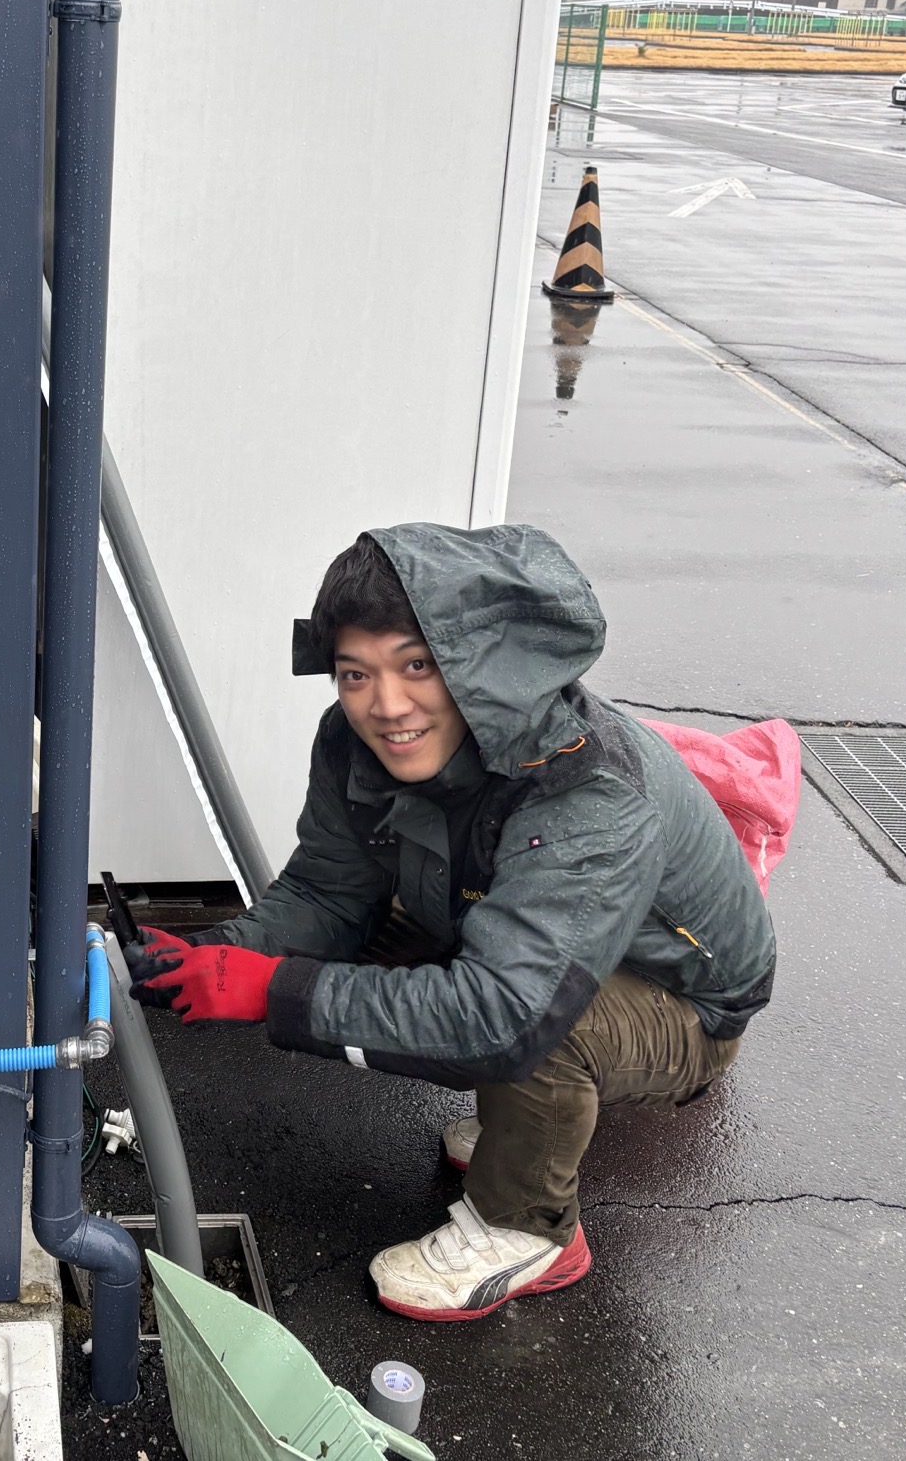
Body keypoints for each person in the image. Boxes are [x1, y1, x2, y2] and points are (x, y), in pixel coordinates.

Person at [129, 524, 778, 1321]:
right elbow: (329, 895)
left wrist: (273, 989)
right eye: (355, 672)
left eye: (417, 665)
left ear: (479, 665)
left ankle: (528, 1227)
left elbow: (507, 1012)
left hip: (682, 1002)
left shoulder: (587, 789)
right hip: (535, 939)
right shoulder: (355, 741)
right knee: (405, 946)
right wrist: (214, 955)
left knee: (533, 1025)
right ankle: (522, 1123)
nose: (386, 704)